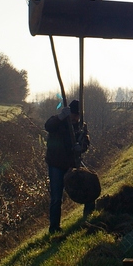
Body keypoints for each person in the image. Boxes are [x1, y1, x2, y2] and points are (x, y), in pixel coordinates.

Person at [44, 99, 91, 233]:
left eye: (78, 116)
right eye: (74, 115)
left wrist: (80, 147)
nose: (76, 119)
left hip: (72, 164)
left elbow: (86, 142)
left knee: (88, 186)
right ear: (69, 114)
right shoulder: (58, 122)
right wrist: (60, 117)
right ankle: (54, 228)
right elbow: (48, 126)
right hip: (56, 165)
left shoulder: (81, 126)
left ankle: (87, 217)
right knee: (56, 198)